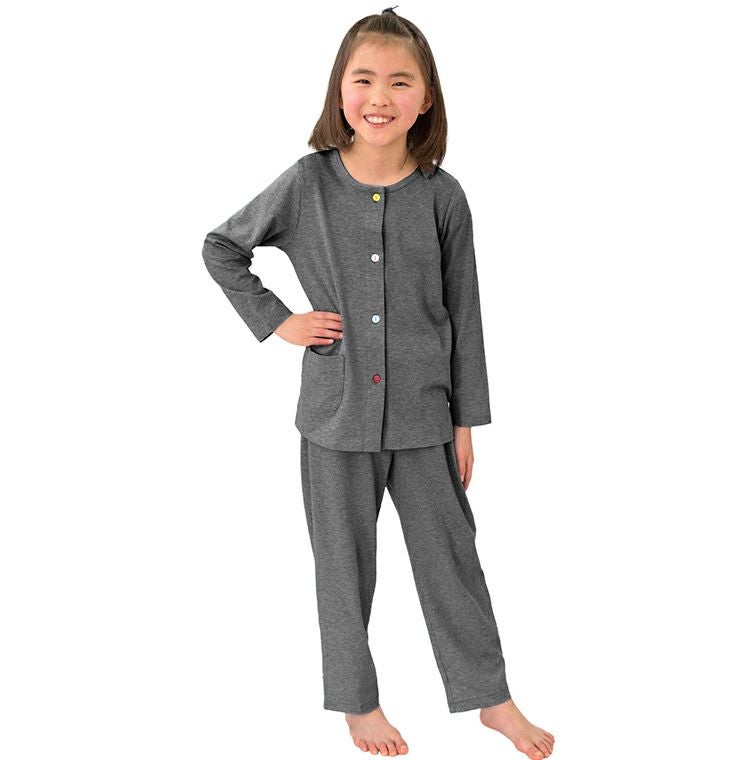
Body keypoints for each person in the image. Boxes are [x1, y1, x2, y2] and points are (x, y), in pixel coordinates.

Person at [202, 7, 555, 758]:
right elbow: (222, 248)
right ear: (340, 90)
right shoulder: (307, 184)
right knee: (342, 568)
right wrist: (280, 321)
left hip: (426, 418)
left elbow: (465, 311)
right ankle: (358, 704)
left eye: (400, 82)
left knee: (453, 562)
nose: (380, 97)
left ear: (425, 98)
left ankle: (491, 698)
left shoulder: (444, 196)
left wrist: (465, 420)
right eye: (363, 79)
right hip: (335, 417)